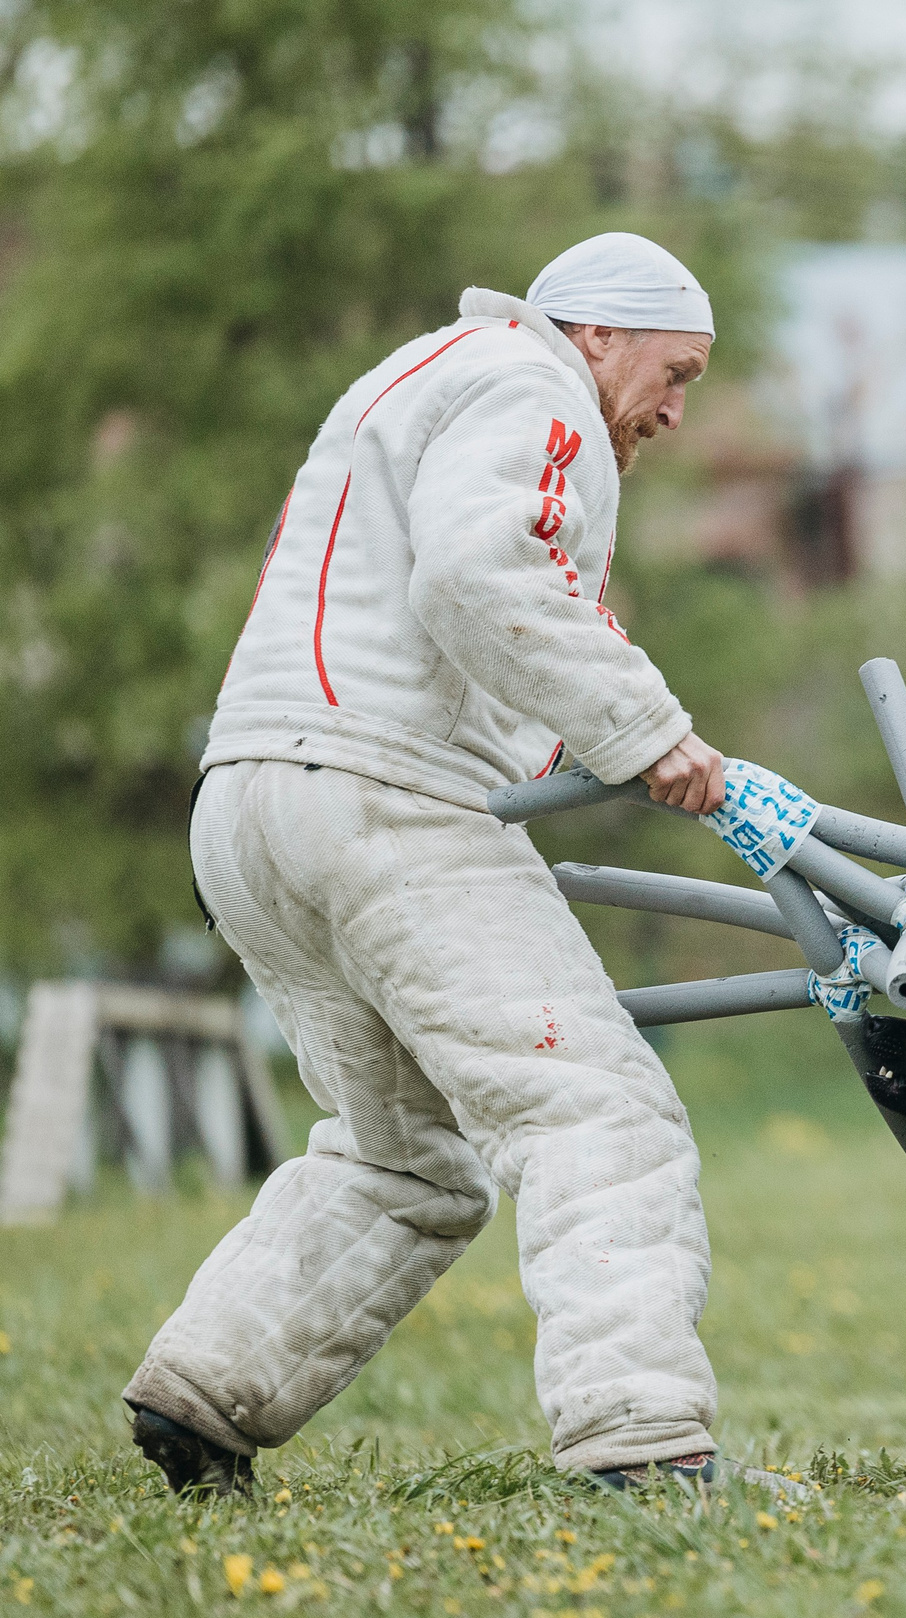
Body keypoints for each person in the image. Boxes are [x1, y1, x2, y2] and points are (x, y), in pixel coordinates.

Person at [124, 233, 735, 1496]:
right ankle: (642, 1443)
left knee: (403, 1154)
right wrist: (653, 735)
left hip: (251, 797)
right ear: (600, 334)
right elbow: (478, 572)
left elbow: (464, 583)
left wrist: (599, 686)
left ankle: (206, 1395)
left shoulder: (429, 374)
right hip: (383, 801)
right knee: (596, 1111)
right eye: (673, 375)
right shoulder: (538, 385)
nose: (674, 413)